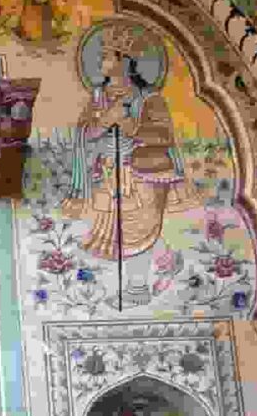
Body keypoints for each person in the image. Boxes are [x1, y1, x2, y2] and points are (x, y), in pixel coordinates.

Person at [76, 24, 183, 300]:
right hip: (110, 173)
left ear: (124, 61)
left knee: (138, 229)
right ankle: (164, 264)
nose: (100, 61)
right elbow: (85, 133)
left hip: (146, 173)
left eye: (106, 56)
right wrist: (104, 121)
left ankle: (137, 289)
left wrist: (129, 125)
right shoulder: (98, 98)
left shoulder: (150, 99)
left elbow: (164, 136)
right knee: (121, 231)